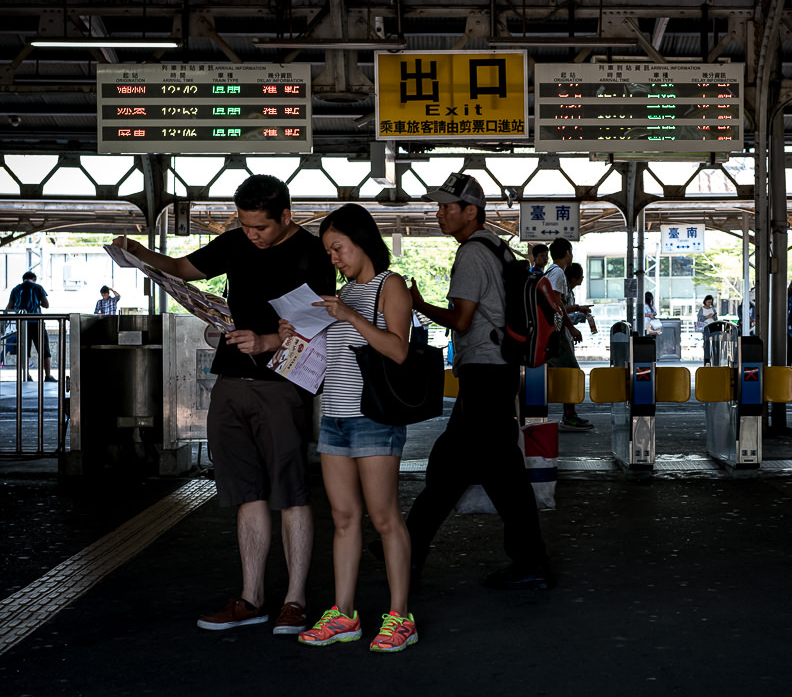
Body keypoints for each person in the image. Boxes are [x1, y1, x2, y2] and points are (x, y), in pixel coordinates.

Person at [112, 174, 335, 635]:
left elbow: (320, 321)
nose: (252, 234)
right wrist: (138, 254)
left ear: (286, 216)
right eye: (246, 225)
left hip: (283, 383)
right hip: (231, 379)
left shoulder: (311, 253)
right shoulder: (235, 243)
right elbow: (182, 268)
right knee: (244, 491)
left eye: (261, 228)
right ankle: (251, 597)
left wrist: (269, 339)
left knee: (291, 491)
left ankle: (295, 601)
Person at [403, 172, 552, 590]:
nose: (440, 214)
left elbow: (461, 320)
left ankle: (531, 561)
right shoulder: (498, 249)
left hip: (484, 374)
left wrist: (419, 304)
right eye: (439, 206)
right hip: (497, 371)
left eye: (448, 207)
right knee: (452, 464)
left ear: (472, 212)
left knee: (499, 473)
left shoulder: (471, 253)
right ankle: (409, 547)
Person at [280, 204, 418, 652]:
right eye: (329, 251)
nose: (334, 258)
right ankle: (344, 614)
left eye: (338, 248)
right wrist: (293, 332)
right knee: (343, 518)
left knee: (384, 517)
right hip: (335, 419)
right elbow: (328, 356)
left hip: (375, 418)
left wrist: (351, 318)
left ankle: (400, 617)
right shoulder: (340, 293)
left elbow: (398, 351)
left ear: (362, 240)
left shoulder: (389, 286)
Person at [543, 237, 592, 432]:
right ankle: (569, 416)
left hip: (549, 331)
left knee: (546, 373)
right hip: (556, 332)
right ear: (567, 253)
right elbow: (556, 304)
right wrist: (570, 327)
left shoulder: (550, 272)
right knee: (572, 371)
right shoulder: (557, 273)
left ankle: (538, 411)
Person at [5, 271, 55, 382]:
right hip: (37, 323)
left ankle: (26, 375)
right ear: (34, 278)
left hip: (22, 324)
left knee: (24, 350)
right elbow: (46, 304)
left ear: (23, 279)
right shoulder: (38, 288)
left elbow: (10, 307)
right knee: (44, 350)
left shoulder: (16, 289)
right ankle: (47, 376)